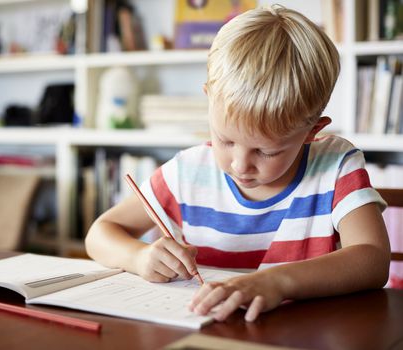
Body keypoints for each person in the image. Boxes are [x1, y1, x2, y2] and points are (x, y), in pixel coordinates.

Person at [85, 5, 390, 323]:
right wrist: (139, 256)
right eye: (225, 140)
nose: (240, 164)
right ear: (208, 100)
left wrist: (278, 281)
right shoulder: (188, 172)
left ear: (312, 131)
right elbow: (100, 234)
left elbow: (373, 258)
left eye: (266, 151)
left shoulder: (336, 165)